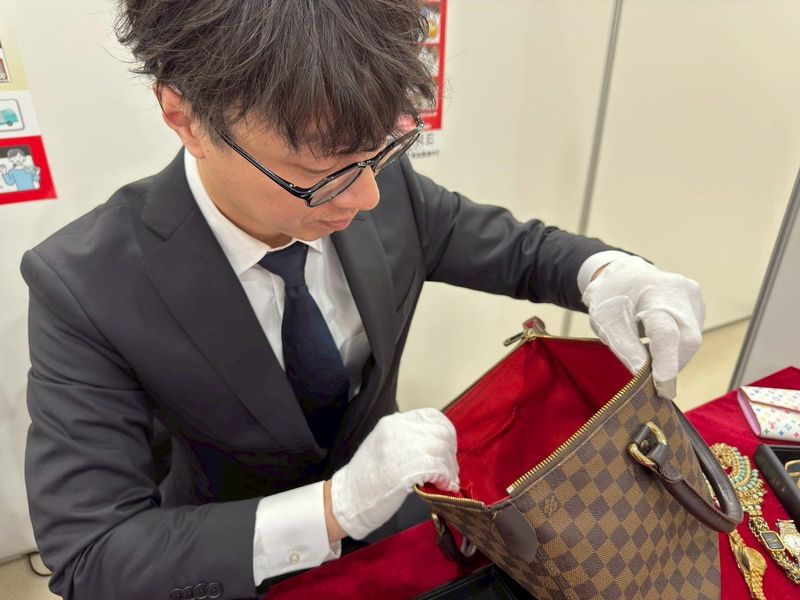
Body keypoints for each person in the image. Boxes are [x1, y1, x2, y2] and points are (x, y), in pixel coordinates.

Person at [20, 2, 704, 599]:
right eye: (316, 174)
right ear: (185, 118)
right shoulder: (86, 284)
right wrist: (332, 510)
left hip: (402, 528)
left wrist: (608, 272)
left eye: (379, 154)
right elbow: (92, 556)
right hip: (225, 557)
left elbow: (518, 250)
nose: (365, 197)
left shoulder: (378, 185)